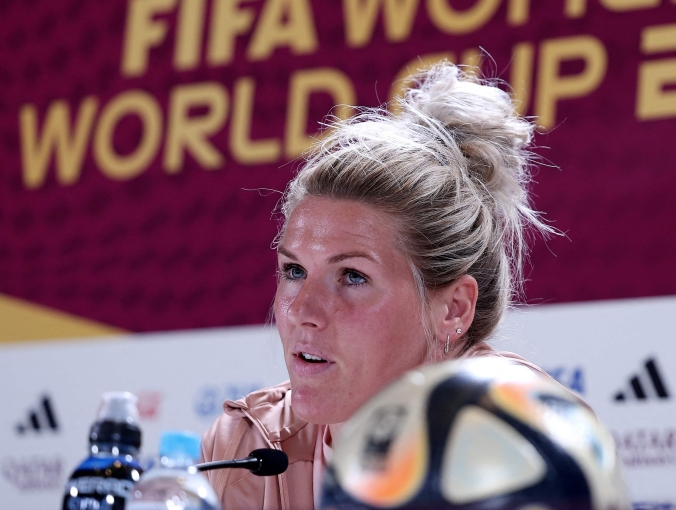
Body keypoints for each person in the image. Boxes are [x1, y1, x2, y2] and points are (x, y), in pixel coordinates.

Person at [201, 63, 554, 510]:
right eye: (294, 271)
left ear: (453, 309)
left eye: (352, 277)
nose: (302, 310)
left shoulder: (528, 436)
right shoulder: (243, 450)